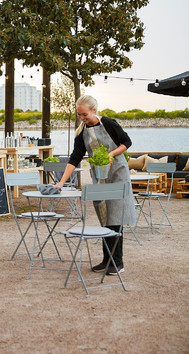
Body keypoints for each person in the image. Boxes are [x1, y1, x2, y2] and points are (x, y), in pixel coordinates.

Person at [55, 94, 136, 275]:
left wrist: (111, 154)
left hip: (117, 174)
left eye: (85, 114)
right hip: (99, 176)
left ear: (94, 110)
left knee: (116, 218)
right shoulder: (81, 132)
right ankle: (107, 260)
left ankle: (117, 262)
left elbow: (127, 142)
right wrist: (61, 182)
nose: (82, 118)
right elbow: (74, 158)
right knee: (104, 217)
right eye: (79, 115)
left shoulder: (108, 123)